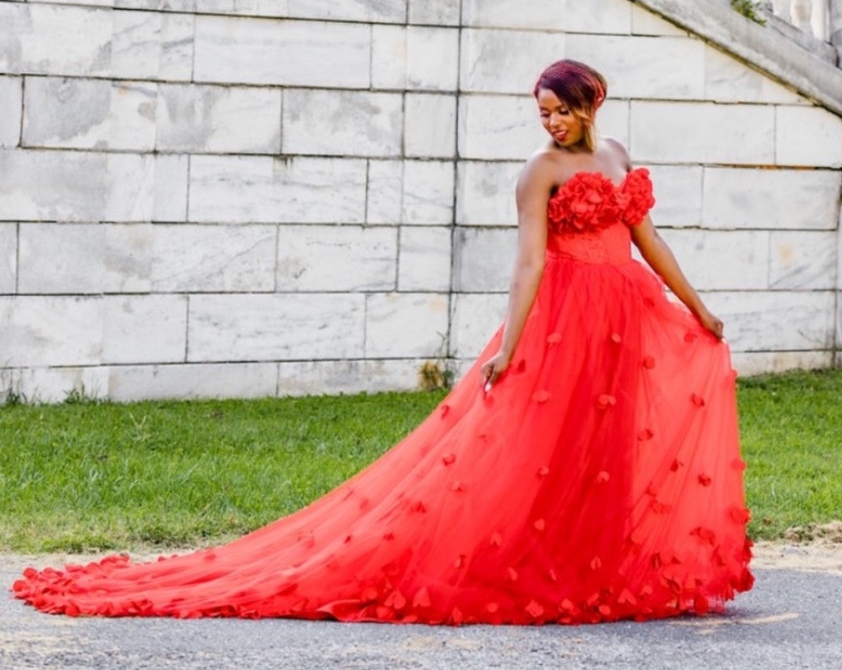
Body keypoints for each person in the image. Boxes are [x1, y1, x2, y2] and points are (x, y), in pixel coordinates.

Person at [13, 59, 753, 623]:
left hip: (627, 318)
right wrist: (508, 347)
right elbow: (529, 262)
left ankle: (601, 572)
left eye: (561, 112)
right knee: (545, 450)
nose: (550, 124)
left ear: (593, 106)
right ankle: (541, 569)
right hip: (565, 319)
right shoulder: (539, 173)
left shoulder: (617, 156)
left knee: (609, 442)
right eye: (542, 113)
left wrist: (698, 306)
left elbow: (648, 239)